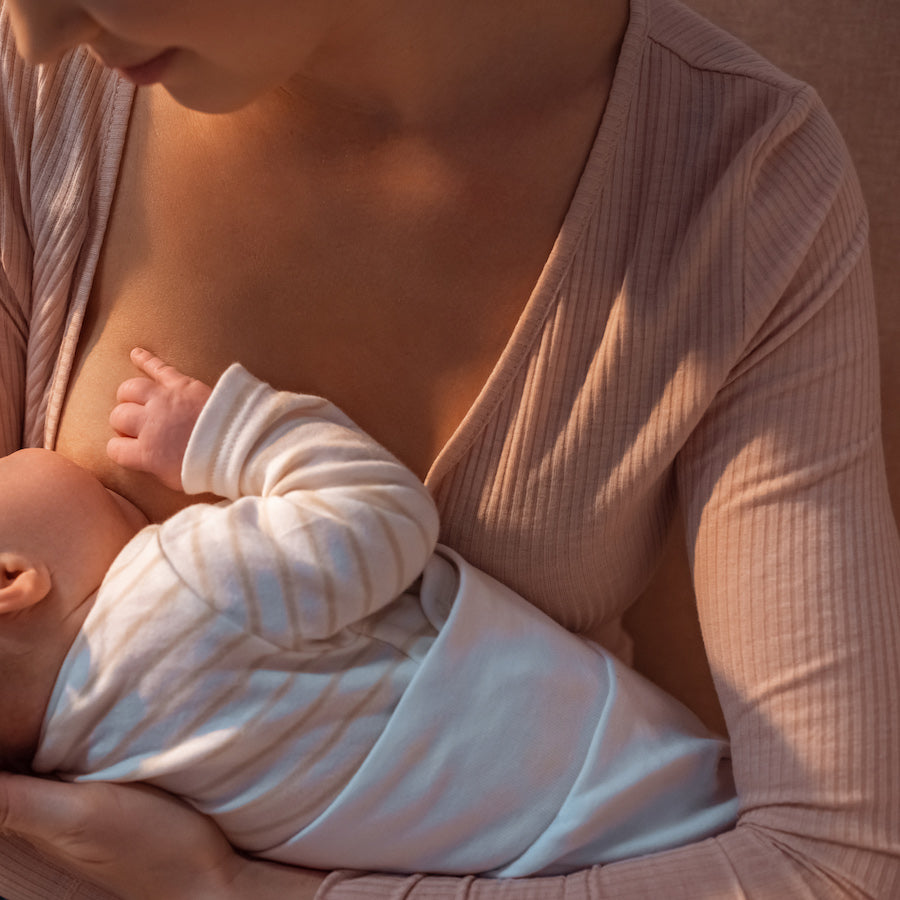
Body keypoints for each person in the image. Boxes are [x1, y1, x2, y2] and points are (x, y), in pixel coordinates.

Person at [0, 0, 897, 896]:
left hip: (595, 816)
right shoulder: (30, 89)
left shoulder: (746, 179)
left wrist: (235, 890)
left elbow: (833, 867)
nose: (35, 32)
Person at [3, 347, 738, 876]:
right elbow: (385, 517)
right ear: (10, 581)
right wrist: (231, 436)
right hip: (635, 787)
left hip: (525, 856)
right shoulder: (180, 586)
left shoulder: (93, 767)